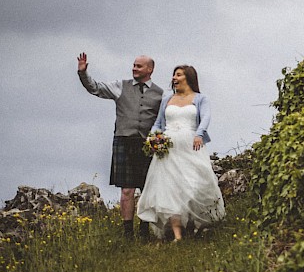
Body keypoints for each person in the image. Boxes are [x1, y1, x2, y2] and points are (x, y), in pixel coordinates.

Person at [77, 52, 164, 239]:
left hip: (147, 144)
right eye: (133, 65)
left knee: (147, 188)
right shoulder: (120, 86)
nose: (134, 68)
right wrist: (83, 73)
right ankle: (127, 233)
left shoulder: (160, 94)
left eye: (139, 66)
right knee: (126, 189)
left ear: (150, 69)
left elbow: (163, 120)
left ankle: (144, 229)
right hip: (123, 141)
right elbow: (95, 88)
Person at [137, 65, 225, 241]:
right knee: (170, 189)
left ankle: (193, 223)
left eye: (178, 75)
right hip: (168, 149)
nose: (174, 78)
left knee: (194, 184)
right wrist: (153, 138)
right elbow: (158, 122)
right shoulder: (167, 99)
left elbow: (206, 117)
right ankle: (177, 234)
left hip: (191, 146)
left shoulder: (200, 99)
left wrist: (199, 134)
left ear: (188, 77)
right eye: (174, 75)